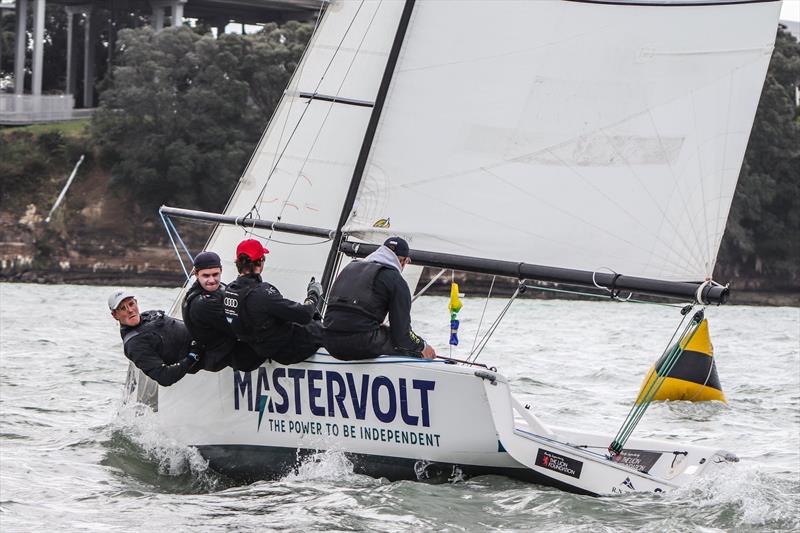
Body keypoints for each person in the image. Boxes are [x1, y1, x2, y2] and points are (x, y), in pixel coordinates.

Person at [323, 237, 436, 360]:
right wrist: (422, 346)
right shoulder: (396, 281)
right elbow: (402, 334)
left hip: (329, 342)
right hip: (360, 345)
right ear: (403, 261)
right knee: (404, 344)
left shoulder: (349, 267)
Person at [223, 239, 324, 365]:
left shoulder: (228, 291)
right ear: (259, 262)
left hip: (259, 348)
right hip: (287, 351)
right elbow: (304, 315)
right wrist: (313, 295)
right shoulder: (262, 293)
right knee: (322, 329)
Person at [181, 251, 264, 372]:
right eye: (206, 276)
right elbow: (237, 329)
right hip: (225, 356)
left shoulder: (220, 287)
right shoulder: (203, 303)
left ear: (221, 271)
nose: (212, 280)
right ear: (196, 274)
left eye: (215, 274)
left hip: (227, 344)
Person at [109, 290, 200, 386]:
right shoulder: (134, 344)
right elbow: (164, 377)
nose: (130, 310)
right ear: (115, 315)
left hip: (204, 335)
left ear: (136, 302)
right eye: (123, 308)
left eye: (131, 304)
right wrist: (193, 356)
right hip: (204, 355)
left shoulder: (149, 314)